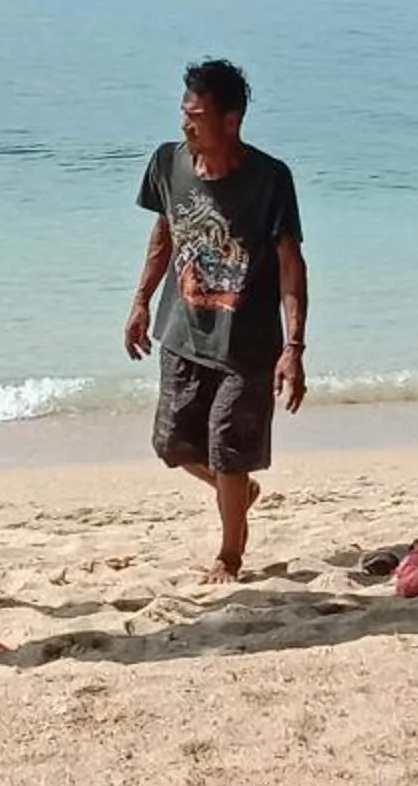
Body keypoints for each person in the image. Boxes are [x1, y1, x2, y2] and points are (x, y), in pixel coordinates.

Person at [125, 59, 307, 581]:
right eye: (184, 113)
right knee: (171, 444)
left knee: (228, 448)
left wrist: (293, 348)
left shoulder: (270, 179)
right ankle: (239, 493)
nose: (186, 125)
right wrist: (140, 301)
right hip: (182, 334)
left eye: (198, 116)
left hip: (246, 347)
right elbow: (164, 234)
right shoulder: (168, 164)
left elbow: (292, 265)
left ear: (231, 121)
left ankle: (230, 554)